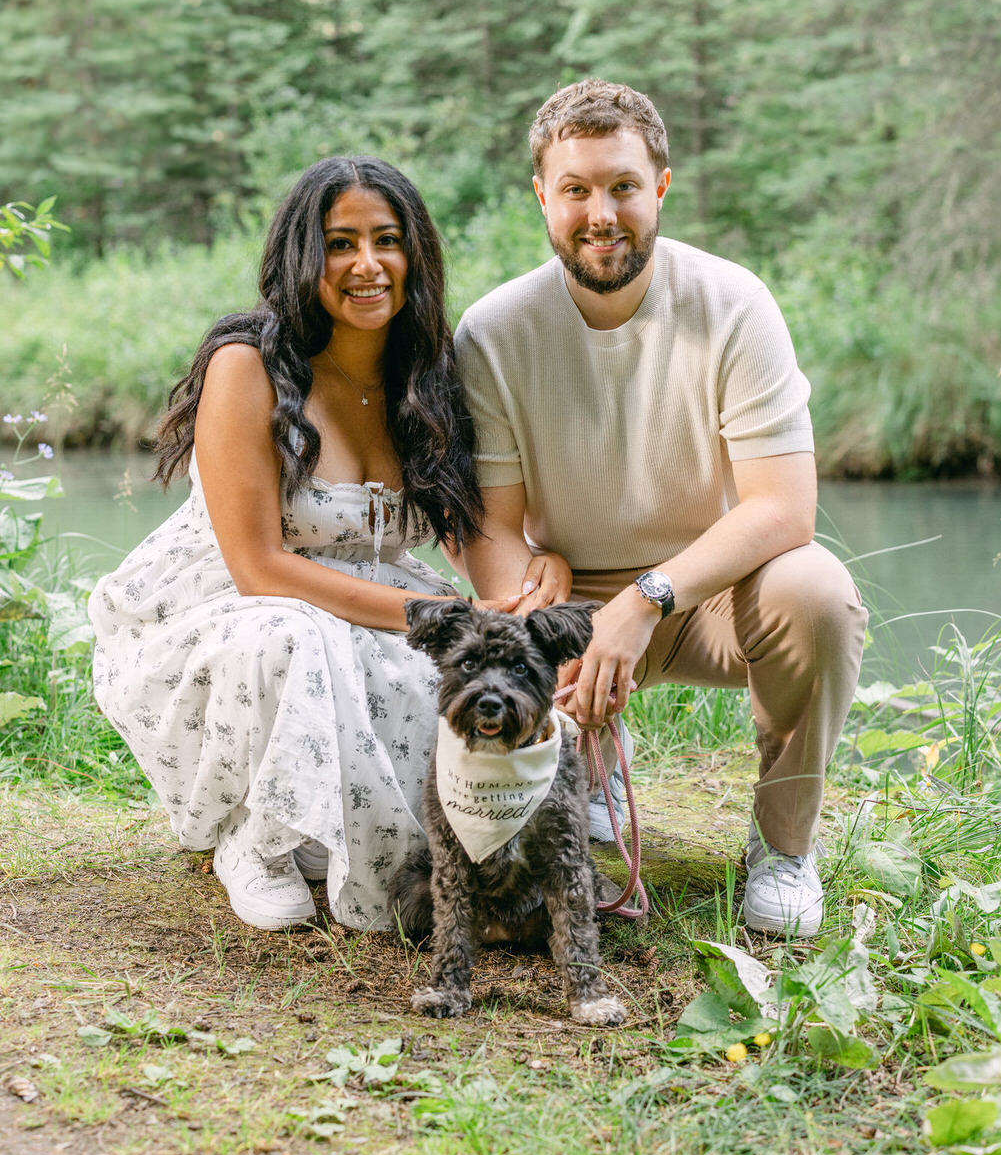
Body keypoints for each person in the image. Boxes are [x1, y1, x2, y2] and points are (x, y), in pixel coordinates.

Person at [89, 156, 550, 933]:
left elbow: (469, 529)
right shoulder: (249, 366)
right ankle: (256, 839)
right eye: (340, 243)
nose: (366, 265)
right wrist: (428, 608)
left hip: (367, 599)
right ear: (303, 257)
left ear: (415, 256)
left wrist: (532, 575)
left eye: (386, 241)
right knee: (292, 639)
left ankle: (343, 823)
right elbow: (258, 566)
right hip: (233, 604)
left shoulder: (427, 375)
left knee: (470, 670)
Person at [454, 80, 868, 938]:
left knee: (817, 590)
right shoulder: (493, 330)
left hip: (709, 589)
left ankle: (783, 846)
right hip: (570, 604)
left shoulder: (734, 303)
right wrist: (537, 631)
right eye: (575, 190)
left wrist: (645, 600)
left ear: (660, 189)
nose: (600, 213)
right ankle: (590, 757)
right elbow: (491, 525)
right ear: (542, 196)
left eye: (622, 187)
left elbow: (783, 509)